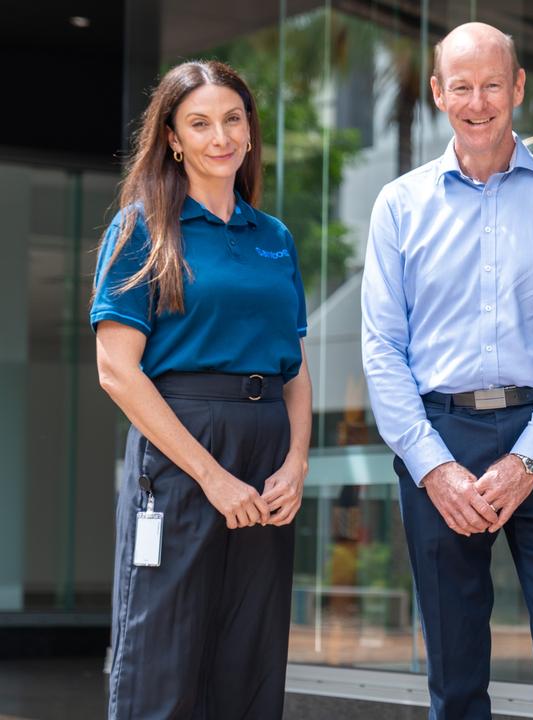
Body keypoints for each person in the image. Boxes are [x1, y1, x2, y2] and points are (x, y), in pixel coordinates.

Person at [361, 22, 533, 720]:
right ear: (439, 93)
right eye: (462, 86)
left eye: (492, 84)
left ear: (519, 88)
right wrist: (433, 467)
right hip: (439, 438)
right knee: (456, 666)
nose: (478, 102)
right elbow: (382, 348)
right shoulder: (399, 206)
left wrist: (528, 460)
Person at [90, 60, 311, 719]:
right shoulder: (140, 230)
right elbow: (117, 371)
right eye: (201, 123)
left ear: (250, 131)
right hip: (183, 448)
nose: (221, 136)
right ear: (173, 138)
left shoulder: (274, 238)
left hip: (268, 451)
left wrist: (297, 461)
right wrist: (211, 476)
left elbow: (295, 368)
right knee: (164, 651)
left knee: (250, 655)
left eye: (233, 119)